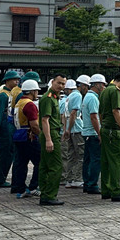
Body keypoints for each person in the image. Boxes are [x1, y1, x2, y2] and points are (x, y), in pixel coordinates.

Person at [99, 72, 120, 202]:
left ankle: (106, 189)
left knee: (106, 161)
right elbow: (116, 110)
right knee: (116, 161)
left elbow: (100, 112)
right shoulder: (115, 91)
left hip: (106, 129)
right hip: (113, 131)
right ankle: (116, 190)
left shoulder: (104, 91)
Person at [11, 79, 42, 199]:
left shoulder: (19, 102)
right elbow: (34, 124)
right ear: (32, 91)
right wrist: (40, 135)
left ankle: (21, 189)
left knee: (21, 163)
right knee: (40, 161)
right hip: (29, 136)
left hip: (18, 135)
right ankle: (34, 186)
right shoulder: (29, 104)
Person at [38, 74, 67, 206]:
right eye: (59, 83)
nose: (61, 86)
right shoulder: (48, 98)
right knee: (56, 166)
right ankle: (49, 194)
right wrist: (49, 140)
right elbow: (45, 120)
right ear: (53, 82)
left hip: (52, 133)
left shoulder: (54, 97)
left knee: (45, 165)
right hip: (50, 134)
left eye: (63, 84)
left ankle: (45, 193)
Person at [0, 71, 20, 188]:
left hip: (10, 125)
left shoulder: (11, 94)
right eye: (14, 80)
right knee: (5, 153)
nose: (17, 82)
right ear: (7, 81)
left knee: (9, 153)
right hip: (4, 126)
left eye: (18, 80)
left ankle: (2, 177)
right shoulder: (3, 95)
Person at [80, 74, 105, 195]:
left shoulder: (87, 97)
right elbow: (94, 116)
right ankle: (92, 184)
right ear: (98, 84)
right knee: (96, 159)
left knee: (88, 159)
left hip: (87, 132)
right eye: (103, 84)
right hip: (92, 132)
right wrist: (99, 133)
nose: (104, 87)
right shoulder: (93, 98)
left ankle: (87, 183)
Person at [63, 75, 88, 189]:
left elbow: (64, 115)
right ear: (81, 86)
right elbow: (74, 113)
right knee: (80, 155)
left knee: (71, 156)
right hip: (77, 129)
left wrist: (66, 129)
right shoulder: (77, 95)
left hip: (70, 128)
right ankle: (77, 179)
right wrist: (69, 129)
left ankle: (69, 179)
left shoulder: (68, 97)